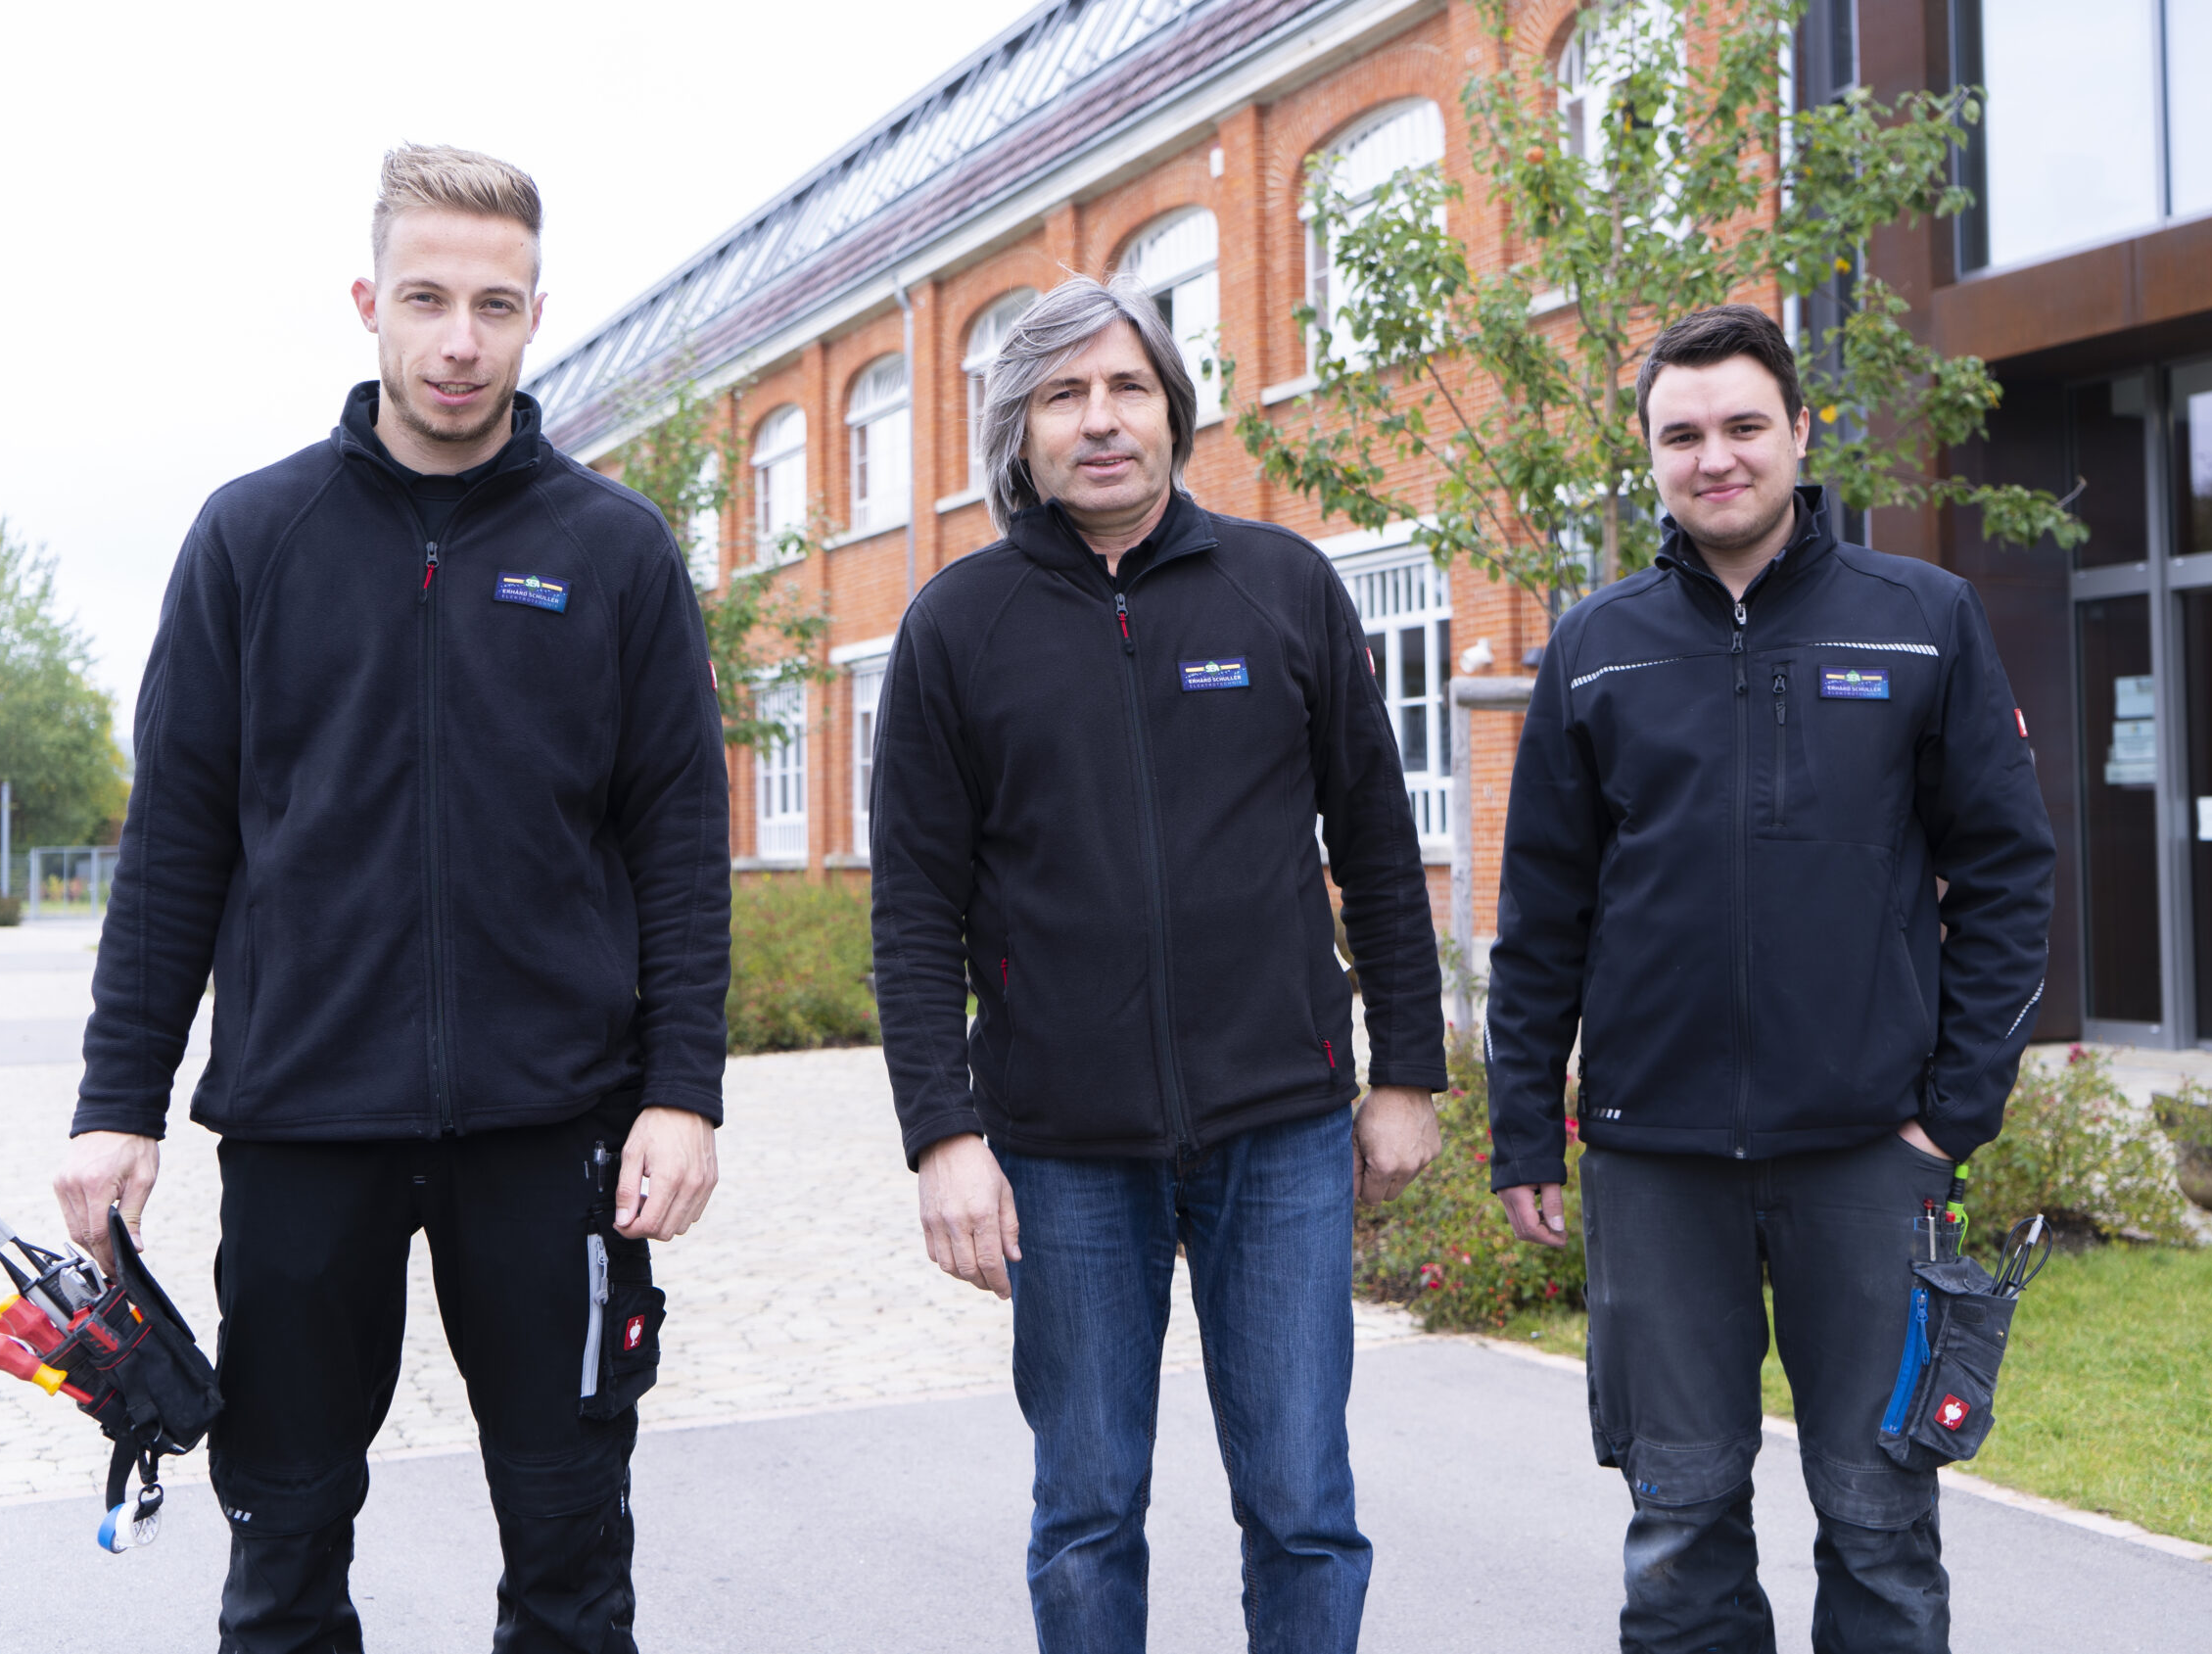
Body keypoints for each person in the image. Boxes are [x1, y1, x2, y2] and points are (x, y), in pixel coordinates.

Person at [53, 144, 730, 1654]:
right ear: (368, 303)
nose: (459, 340)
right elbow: (173, 845)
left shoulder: (615, 552)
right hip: (304, 1126)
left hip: (554, 1132)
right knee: (283, 1555)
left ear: (536, 312)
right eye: (426, 299)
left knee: (571, 1556)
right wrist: (117, 1104)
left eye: (495, 305)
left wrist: (683, 1091)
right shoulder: (253, 538)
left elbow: (681, 845)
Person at [868, 276, 1448, 1654]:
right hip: (1062, 1150)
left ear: (1175, 413)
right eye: (1063, 395)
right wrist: (943, 1133)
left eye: (1127, 387)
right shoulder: (956, 624)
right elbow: (913, 908)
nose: (1100, 420)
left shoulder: (1283, 587)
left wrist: (1407, 1073)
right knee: (1085, 1513)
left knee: (1303, 1504)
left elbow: (1377, 844)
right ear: (1020, 433)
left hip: (1281, 1126)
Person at [1483, 304, 2055, 1653]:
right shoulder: (1595, 644)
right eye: (1681, 434)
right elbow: (1542, 912)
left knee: (1880, 1523)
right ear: (1649, 455)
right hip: (1654, 1158)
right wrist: (1524, 1131)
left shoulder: (1922, 620)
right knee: (1678, 1530)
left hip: (1868, 1155)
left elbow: (2009, 876)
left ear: (1801, 430)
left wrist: (1952, 1113)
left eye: (1744, 424)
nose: (1716, 457)